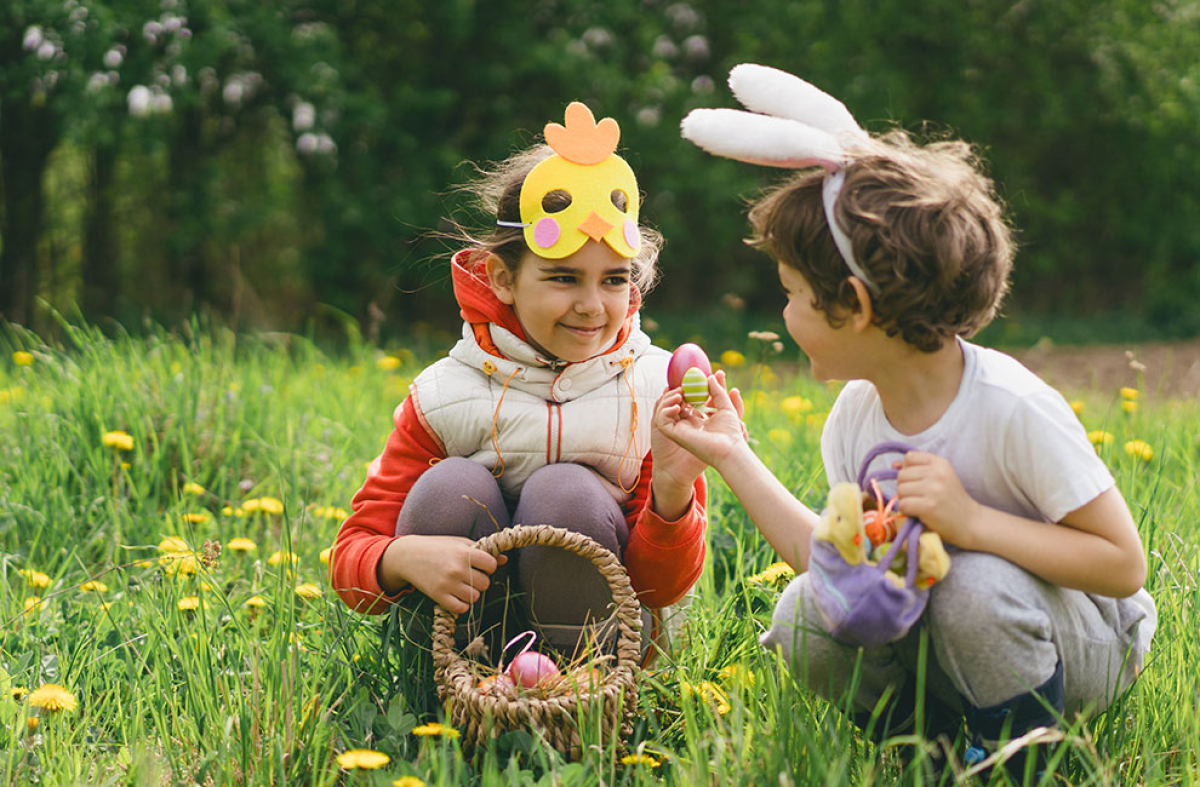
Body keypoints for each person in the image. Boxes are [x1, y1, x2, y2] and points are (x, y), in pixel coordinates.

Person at [665, 64, 1156, 778]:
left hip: (1079, 648)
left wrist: (971, 523)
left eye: (795, 295)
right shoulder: (857, 414)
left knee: (972, 585)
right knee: (806, 610)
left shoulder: (1009, 408)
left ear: (856, 307)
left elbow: (1121, 565)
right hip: (950, 644)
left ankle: (1021, 757)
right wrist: (732, 454)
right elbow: (842, 567)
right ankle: (930, 753)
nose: (784, 314)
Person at [329, 102, 708, 663]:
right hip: (467, 633)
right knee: (449, 484)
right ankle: (454, 679)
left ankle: (582, 693)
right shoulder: (442, 397)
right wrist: (401, 557)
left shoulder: (651, 394)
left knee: (565, 491)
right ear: (502, 278)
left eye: (613, 280)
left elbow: (661, 589)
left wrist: (673, 496)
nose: (591, 305)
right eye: (563, 278)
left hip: (601, 637)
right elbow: (350, 563)